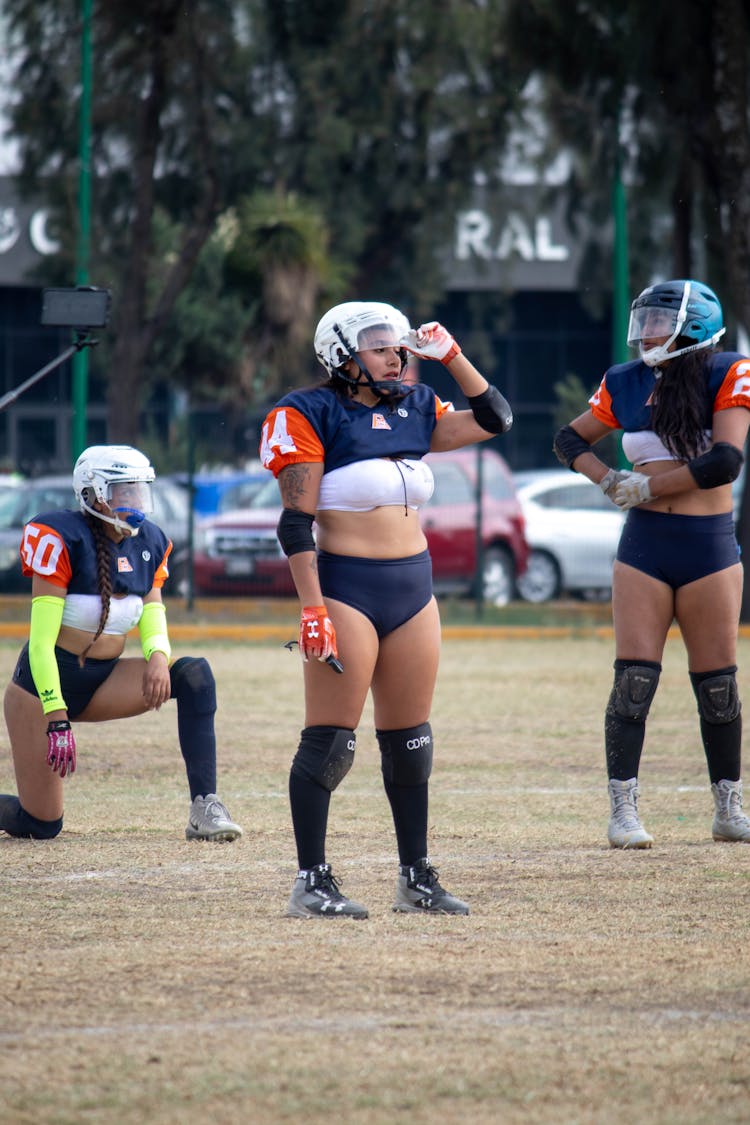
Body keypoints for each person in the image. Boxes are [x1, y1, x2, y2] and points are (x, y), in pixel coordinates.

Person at [259, 300, 513, 917]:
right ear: (341, 354)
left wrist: (450, 356)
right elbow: (295, 526)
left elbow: (495, 418)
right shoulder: (307, 410)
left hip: (413, 589)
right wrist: (312, 608)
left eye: (399, 345)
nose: (396, 354)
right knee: (330, 744)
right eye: (380, 345)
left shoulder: (416, 406)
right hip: (346, 588)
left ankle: (415, 877)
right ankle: (310, 880)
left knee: (411, 741)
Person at [553, 278, 750, 848]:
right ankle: (623, 810)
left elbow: (724, 462)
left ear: (692, 326)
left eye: (660, 323)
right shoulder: (624, 381)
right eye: (645, 322)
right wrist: (609, 480)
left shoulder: (729, 370)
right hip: (645, 545)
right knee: (634, 681)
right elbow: (570, 439)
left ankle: (728, 806)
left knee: (717, 684)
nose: (648, 334)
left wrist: (650, 485)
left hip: (709, 544)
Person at [0, 444, 242, 844]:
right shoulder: (60, 537)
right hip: (42, 689)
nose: (132, 500)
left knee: (194, 673)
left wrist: (158, 658)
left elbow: (153, 614)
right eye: (121, 491)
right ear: (92, 494)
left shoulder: (149, 541)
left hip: (105, 682)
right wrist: (57, 717)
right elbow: (40, 643)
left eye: (137, 490)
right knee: (42, 824)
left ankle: (206, 806)